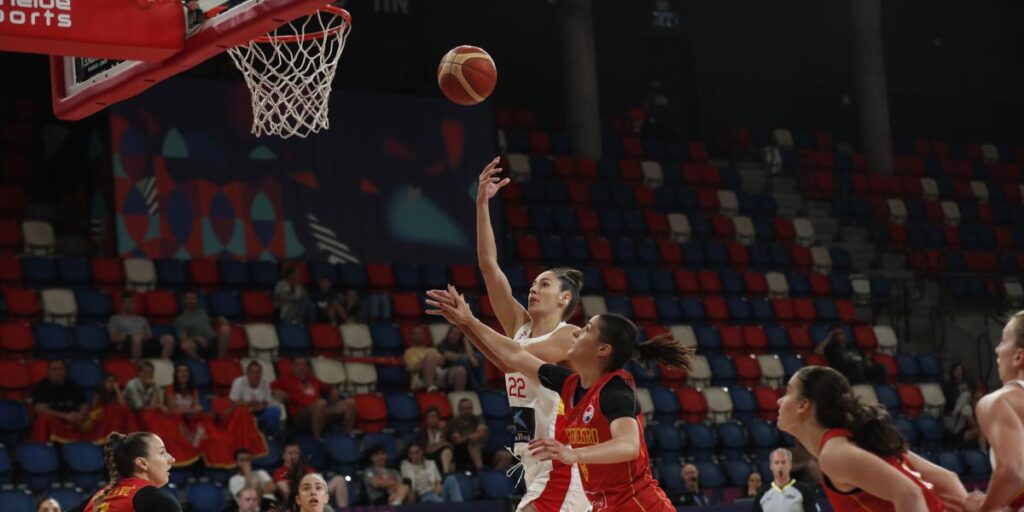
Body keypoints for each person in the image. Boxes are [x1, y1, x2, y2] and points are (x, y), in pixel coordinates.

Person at [427, 286, 687, 511]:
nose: (576, 333)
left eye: (586, 330)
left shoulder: (615, 391)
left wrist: (574, 455)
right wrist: (467, 321)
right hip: (603, 505)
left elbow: (628, 445)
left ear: (603, 350)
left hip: (639, 506)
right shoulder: (568, 383)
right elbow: (514, 356)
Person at [471, 156, 590, 512]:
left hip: (561, 455)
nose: (533, 289)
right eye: (534, 284)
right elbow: (490, 269)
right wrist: (481, 204)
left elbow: (511, 357)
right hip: (531, 456)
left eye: (545, 284)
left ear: (564, 298)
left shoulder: (569, 336)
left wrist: (469, 324)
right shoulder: (518, 329)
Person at [776, 365, 966, 511]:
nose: (779, 400)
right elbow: (947, 478)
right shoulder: (859, 438)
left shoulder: (835, 454)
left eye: (788, 392)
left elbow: (908, 493)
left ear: (803, 405)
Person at [952, 311, 1024, 512]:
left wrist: (986, 507)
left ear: (1019, 355)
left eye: (1003, 340)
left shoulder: (999, 401)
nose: (997, 349)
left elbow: (1011, 471)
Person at [79, 431, 180, 511]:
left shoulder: (99, 496)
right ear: (142, 463)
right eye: (162, 453)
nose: (172, 459)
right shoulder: (160, 501)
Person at [272, 357, 356, 439]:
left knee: (350, 402)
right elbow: (269, 389)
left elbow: (329, 388)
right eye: (298, 364)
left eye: (304, 364)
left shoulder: (313, 380)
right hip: (300, 415)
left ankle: (347, 435)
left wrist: (333, 391)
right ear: (293, 367)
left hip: (321, 410)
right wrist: (276, 392)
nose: (302, 367)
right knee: (321, 403)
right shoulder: (285, 380)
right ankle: (317, 438)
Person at [31, 359, 93, 443]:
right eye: (54, 369)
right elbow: (40, 410)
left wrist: (80, 415)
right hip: (55, 422)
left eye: (60, 369)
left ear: (65, 371)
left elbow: (84, 405)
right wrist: (65, 416)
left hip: (75, 422)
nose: (58, 372)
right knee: (43, 419)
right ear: (49, 372)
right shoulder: (40, 387)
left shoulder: (74, 385)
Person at [272, 441, 348, 508]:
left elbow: (321, 484)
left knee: (339, 479)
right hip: (296, 503)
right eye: (290, 453)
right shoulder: (279, 472)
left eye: (296, 452)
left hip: (316, 497)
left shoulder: (307, 469)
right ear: (283, 455)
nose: (294, 456)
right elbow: (287, 493)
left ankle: (344, 510)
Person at [108, 295, 174, 360]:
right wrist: (132, 336)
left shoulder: (142, 319)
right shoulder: (115, 318)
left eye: (132, 302)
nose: (129, 304)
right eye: (126, 302)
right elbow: (113, 338)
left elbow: (149, 336)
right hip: (127, 343)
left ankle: (164, 363)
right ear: (122, 304)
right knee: (137, 339)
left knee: (168, 339)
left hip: (144, 342)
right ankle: (137, 364)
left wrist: (144, 336)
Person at [813, 328, 886, 385]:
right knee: (856, 366)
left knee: (880, 367)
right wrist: (829, 336)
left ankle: (882, 389)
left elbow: (865, 357)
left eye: (842, 334)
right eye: (838, 334)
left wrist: (868, 360)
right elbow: (817, 351)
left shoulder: (852, 346)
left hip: (861, 369)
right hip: (846, 372)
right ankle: (862, 387)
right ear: (834, 337)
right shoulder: (831, 348)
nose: (842, 336)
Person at [753, 448, 817, 512]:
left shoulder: (804, 491)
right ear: (771, 466)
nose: (780, 466)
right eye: (776, 463)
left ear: (790, 465)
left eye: (783, 462)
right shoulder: (762, 494)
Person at [229, 360, 282, 437]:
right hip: (244, 414)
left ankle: (270, 436)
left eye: (258, 372)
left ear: (261, 374)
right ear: (247, 373)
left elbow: (267, 402)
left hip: (259, 413)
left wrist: (260, 406)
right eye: (252, 372)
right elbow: (232, 404)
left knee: (275, 410)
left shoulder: (265, 383)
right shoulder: (238, 382)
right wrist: (247, 404)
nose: (255, 375)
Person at [174, 291, 230, 359]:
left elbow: (212, 323)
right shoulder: (180, 320)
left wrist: (220, 320)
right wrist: (196, 338)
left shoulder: (202, 311)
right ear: (184, 300)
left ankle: (221, 360)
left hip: (212, 340)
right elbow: (182, 339)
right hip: (198, 344)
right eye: (189, 299)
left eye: (193, 299)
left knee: (225, 329)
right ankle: (200, 363)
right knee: (185, 345)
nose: (191, 301)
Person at [447, 397, 488, 471]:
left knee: (504, 456)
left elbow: (482, 431)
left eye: (468, 408)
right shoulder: (454, 422)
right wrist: (470, 437)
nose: (466, 411)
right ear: (459, 410)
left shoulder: (477, 418)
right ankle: (480, 470)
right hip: (461, 451)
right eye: (463, 408)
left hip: (481, 448)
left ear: (472, 409)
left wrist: (475, 436)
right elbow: (457, 440)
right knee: (473, 442)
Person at [413, 407, 454, 474]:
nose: (433, 419)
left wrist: (443, 432)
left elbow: (450, 446)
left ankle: (446, 473)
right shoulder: (422, 432)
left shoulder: (443, 430)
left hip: (442, 458)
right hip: (427, 458)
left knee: (447, 451)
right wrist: (441, 445)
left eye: (435, 416)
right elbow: (426, 450)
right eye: (430, 417)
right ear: (426, 419)